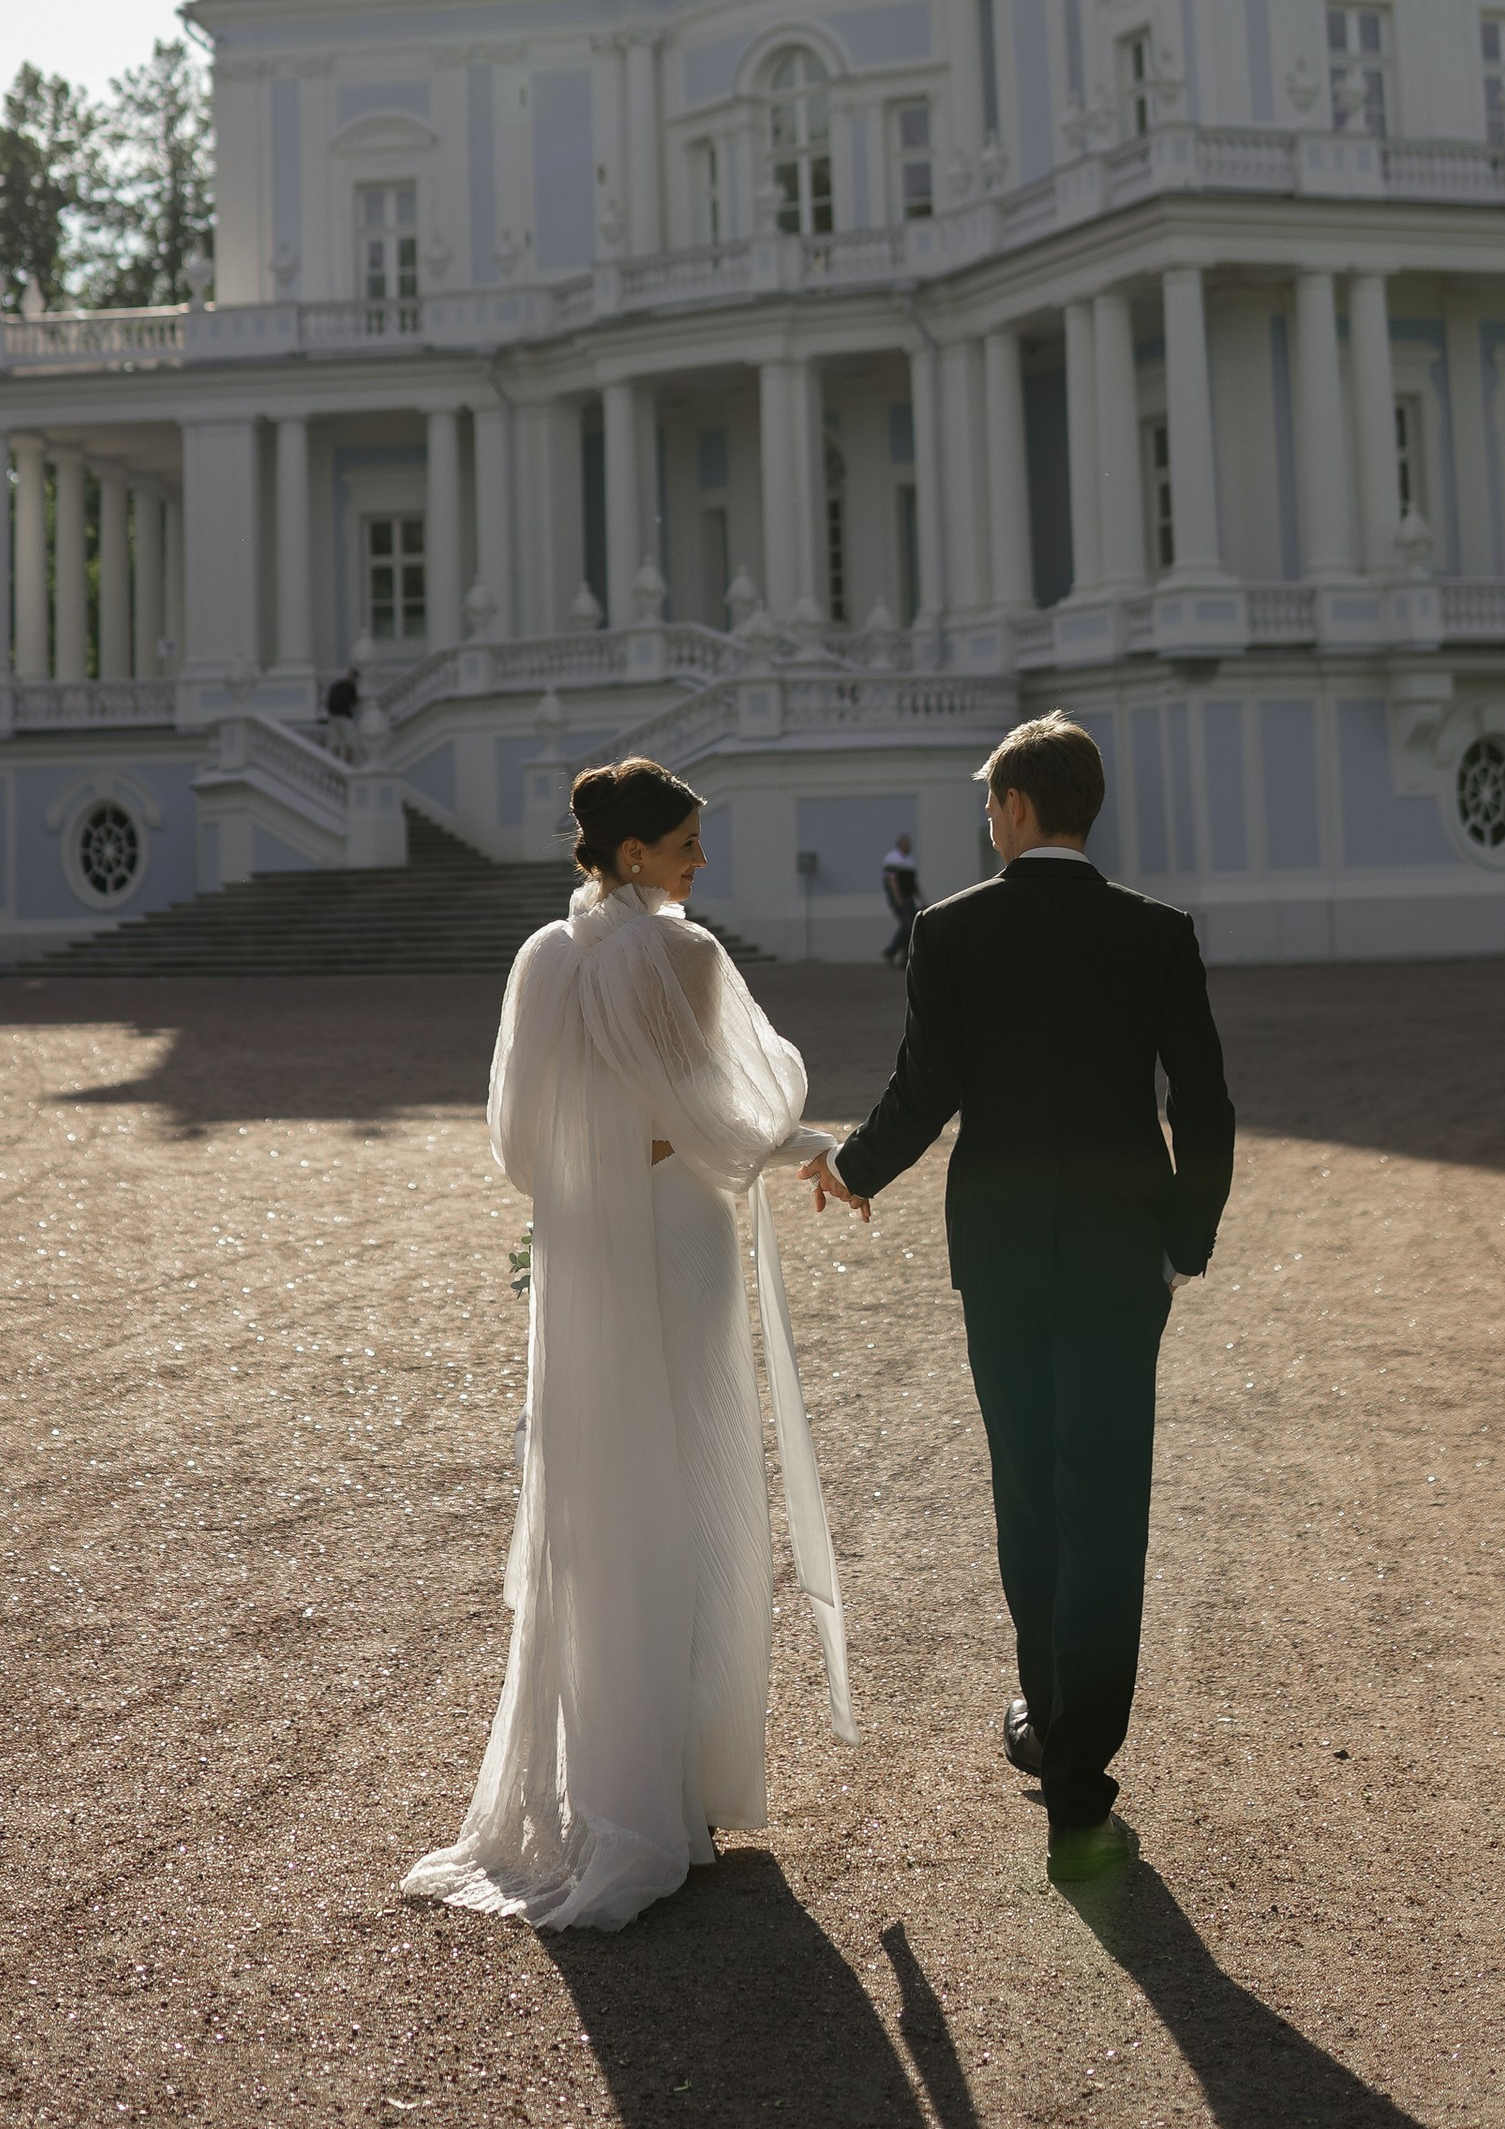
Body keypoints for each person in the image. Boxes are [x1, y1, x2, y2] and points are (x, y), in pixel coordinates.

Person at [405, 756, 854, 1931]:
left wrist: (585, 1182)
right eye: (688, 843)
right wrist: (813, 1143)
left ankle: (613, 1791)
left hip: (587, 1250)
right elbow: (726, 1113)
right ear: (637, 851)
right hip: (675, 1237)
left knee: (603, 1507)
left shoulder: (543, 958)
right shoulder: (682, 955)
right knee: (692, 1493)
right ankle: (682, 1791)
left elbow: (519, 1145)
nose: (702, 861)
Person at [801, 711, 1233, 1889]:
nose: (987, 818)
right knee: (1106, 1503)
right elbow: (1203, 1103)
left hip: (997, 1252)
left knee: (1029, 1494)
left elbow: (926, 1087)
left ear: (1019, 808)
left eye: (990, 802)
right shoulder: (1156, 932)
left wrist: (849, 1168)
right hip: (1118, 1254)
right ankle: (1080, 1767)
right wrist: (1182, 1244)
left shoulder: (950, 930)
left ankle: (1050, 1725)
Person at [880, 832, 921, 967]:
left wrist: (921, 899)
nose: (909, 847)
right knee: (906, 925)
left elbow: (913, 884)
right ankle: (891, 951)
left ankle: (904, 958)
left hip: (909, 898)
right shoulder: (892, 859)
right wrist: (898, 898)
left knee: (910, 926)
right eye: (906, 845)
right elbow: (892, 880)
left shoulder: (909, 861)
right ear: (900, 845)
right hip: (900, 898)